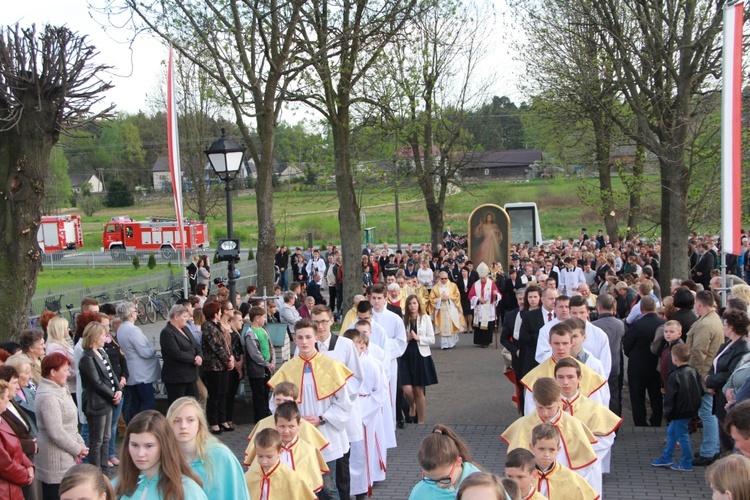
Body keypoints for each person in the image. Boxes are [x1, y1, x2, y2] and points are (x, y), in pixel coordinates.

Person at [268, 319, 353, 500]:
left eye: (308, 337)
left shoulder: (331, 366)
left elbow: (344, 403)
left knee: (328, 488)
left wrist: (322, 418)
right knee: (301, 486)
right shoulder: (288, 369)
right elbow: (274, 403)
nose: (304, 342)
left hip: (326, 433)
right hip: (297, 437)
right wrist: (290, 421)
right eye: (300, 338)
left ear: (316, 337)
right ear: (295, 340)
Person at [502, 378, 599, 494]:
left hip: (565, 485)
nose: (545, 413)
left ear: (559, 401)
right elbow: (515, 465)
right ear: (534, 401)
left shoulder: (573, 425)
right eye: (540, 407)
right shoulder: (523, 425)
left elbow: (584, 465)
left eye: (549, 408)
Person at [166, 397, 249, 499]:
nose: (183, 426)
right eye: (176, 420)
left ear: (199, 424)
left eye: (190, 420)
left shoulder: (221, 456)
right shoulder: (164, 458)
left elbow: (238, 494)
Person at [113, 410, 207, 499]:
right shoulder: (116, 485)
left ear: (164, 446)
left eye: (149, 446)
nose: (140, 453)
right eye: (134, 445)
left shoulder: (188, 490)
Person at [34, 352, 88, 499]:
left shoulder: (60, 388)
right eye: (65, 370)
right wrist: (77, 448)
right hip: (55, 461)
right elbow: (56, 431)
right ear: (53, 372)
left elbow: (70, 423)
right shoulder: (48, 396)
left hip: (67, 454)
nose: (69, 374)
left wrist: (80, 442)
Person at [245, 401, 328, 494]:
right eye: (282, 426)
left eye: (291, 426)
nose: (286, 431)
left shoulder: (308, 450)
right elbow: (254, 477)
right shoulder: (266, 446)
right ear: (275, 424)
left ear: (299, 425)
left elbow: (311, 483)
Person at [650, 343, 703, 472]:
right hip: (690, 409)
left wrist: (668, 413)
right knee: (672, 432)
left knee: (682, 435)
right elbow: (700, 390)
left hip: (678, 412)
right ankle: (667, 456)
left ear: (674, 358)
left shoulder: (674, 375)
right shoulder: (694, 372)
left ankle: (686, 462)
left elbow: (670, 397)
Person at [687, 290, 725, 466]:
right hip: (707, 373)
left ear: (699, 304)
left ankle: (710, 451)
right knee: (709, 413)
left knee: (707, 413)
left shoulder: (705, 324)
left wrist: (695, 378)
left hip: (703, 375)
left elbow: (699, 352)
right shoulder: (712, 319)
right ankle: (712, 448)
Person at [78, 322, 122, 469]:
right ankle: (95, 469)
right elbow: (95, 382)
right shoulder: (87, 358)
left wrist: (118, 389)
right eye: (104, 335)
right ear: (95, 337)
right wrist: (112, 395)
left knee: (107, 437)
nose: (106, 337)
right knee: (96, 439)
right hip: (96, 403)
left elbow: (111, 375)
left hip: (107, 400)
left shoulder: (102, 352)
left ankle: (104, 465)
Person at [706, 309, 750, 452]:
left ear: (731, 327)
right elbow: (716, 364)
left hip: (728, 399)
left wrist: (711, 380)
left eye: (724, 325)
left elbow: (731, 373)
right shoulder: (726, 345)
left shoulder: (742, 348)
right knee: (724, 437)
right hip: (720, 395)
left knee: (731, 441)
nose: (723, 328)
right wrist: (709, 378)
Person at [526, 424, 599, 500]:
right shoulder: (520, 474)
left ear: (558, 449)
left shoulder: (570, 478)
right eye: (541, 449)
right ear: (532, 447)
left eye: (552, 450)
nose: (546, 454)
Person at [408, 424, 481, 499]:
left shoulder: (482, 488)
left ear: (458, 462)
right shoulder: (420, 492)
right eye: (430, 479)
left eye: (444, 479)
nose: (439, 485)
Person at [623, 296, 665, 427]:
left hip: (637, 366)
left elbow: (627, 345)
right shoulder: (662, 324)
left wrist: (632, 355)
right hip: (656, 366)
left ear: (641, 309)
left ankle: (640, 422)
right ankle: (656, 421)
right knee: (656, 396)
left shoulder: (636, 325)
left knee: (637, 397)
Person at [116, 303, 161, 421]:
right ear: (132, 314)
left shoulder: (121, 328)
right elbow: (144, 351)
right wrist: (153, 351)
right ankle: (141, 424)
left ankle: (132, 424)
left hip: (132, 369)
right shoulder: (133, 330)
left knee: (135, 400)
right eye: (135, 312)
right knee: (148, 400)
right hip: (140, 371)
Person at [245, 428, 317, 499]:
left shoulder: (291, 477)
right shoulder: (251, 474)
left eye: (269, 457)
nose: (264, 461)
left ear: (280, 452)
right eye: (260, 456)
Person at [400, 295, 438, 424]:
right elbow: (399, 339)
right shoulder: (403, 320)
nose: (412, 306)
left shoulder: (425, 318)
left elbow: (432, 339)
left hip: (420, 356)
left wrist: (418, 338)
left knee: (418, 390)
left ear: (418, 304)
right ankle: (412, 405)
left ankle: (421, 421)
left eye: (414, 303)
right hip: (406, 357)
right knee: (407, 390)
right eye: (410, 304)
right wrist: (407, 339)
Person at [200, 301, 234, 434]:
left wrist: (230, 357)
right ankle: (214, 423)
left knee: (223, 393)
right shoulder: (208, 327)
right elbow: (216, 347)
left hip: (223, 365)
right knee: (215, 394)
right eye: (219, 311)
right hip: (214, 366)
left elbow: (225, 343)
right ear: (215, 313)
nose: (220, 313)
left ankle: (223, 420)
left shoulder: (218, 326)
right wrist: (227, 359)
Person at [160, 305, 203, 406]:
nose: (187, 319)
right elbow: (176, 353)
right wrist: (193, 359)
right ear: (176, 316)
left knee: (193, 403)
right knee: (178, 406)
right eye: (184, 316)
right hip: (177, 378)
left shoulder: (185, 329)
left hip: (191, 376)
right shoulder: (167, 333)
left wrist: (200, 356)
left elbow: (196, 345)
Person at [0, 379, 34, 500]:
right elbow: (5, 465)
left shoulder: (1, 419)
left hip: (12, 486)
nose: (7, 401)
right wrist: (26, 475)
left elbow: (16, 444)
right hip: (4, 490)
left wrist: (28, 465)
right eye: (5, 398)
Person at [591, 293, 625, 416]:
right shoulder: (620, 324)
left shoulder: (594, 326)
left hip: (598, 367)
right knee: (614, 396)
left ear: (599, 307)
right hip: (615, 366)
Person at [244, 306, 276, 423]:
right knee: (258, 395)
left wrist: (272, 362)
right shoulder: (250, 333)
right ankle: (259, 418)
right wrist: (266, 363)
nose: (264, 319)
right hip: (257, 370)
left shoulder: (264, 331)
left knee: (266, 394)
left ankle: (266, 415)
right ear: (257, 318)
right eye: (263, 317)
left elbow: (270, 346)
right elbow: (254, 354)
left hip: (267, 368)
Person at [429, 271, 467, 349]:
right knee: (443, 327)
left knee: (451, 326)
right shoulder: (435, 287)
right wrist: (440, 299)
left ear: (448, 278)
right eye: (442, 279)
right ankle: (444, 344)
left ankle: (452, 343)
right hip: (441, 310)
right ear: (439, 278)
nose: (444, 280)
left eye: (445, 278)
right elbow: (432, 299)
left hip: (451, 308)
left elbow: (457, 295)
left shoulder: (453, 286)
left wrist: (449, 298)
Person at [469, 262, 501, 348]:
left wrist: (495, 294)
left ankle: (486, 341)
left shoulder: (491, 283)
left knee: (488, 325)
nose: (483, 280)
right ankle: (479, 341)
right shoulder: (475, 284)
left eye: (484, 278)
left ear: (487, 275)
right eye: (481, 278)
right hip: (479, 307)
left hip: (488, 307)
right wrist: (478, 299)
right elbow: (471, 295)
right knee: (479, 325)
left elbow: (499, 295)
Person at [45, 317, 76, 403]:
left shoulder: (60, 344)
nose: (69, 329)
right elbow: (62, 368)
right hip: (70, 386)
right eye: (66, 328)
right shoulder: (56, 348)